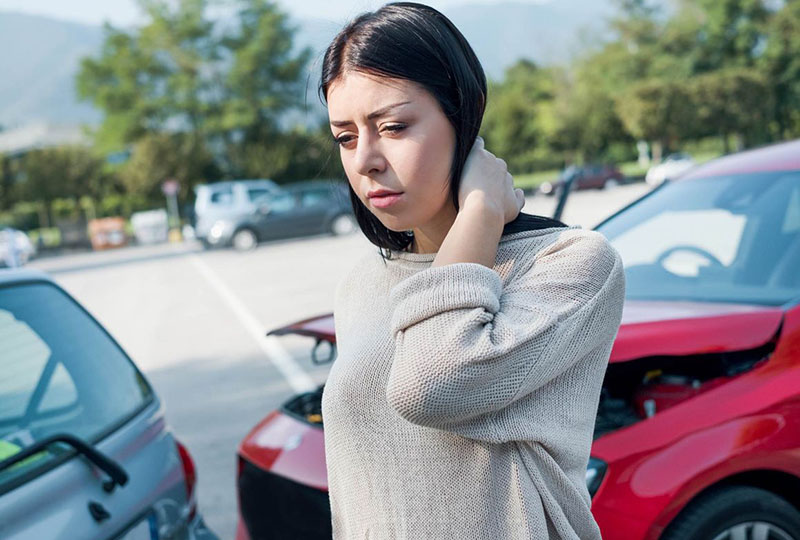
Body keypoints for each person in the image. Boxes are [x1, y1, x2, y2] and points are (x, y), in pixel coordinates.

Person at [318, 3, 626, 539]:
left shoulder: (570, 265)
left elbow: (432, 386)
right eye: (345, 137)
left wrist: (481, 210)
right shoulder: (361, 283)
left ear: (462, 117)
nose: (366, 158)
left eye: (392, 126)